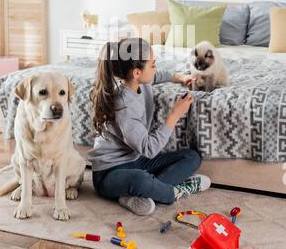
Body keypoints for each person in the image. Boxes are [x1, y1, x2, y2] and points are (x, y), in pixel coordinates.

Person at [88, 37, 210, 215]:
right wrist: (175, 114)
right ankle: (174, 192)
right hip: (110, 172)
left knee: (192, 157)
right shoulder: (124, 106)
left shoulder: (139, 82)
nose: (155, 68)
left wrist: (180, 77)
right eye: (153, 64)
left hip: (136, 160)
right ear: (137, 72)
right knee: (141, 180)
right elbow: (149, 148)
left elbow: (157, 76)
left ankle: (139, 195)